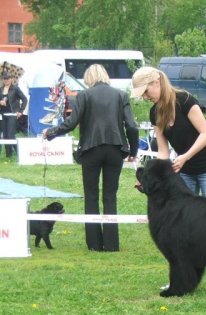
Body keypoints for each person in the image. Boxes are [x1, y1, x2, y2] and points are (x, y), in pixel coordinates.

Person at [131, 66, 206, 293]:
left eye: (146, 92)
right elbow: (163, 152)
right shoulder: (154, 112)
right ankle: (181, 279)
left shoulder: (186, 101)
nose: (146, 97)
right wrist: (152, 177)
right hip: (183, 170)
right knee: (180, 227)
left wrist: (185, 156)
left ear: (156, 82)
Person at [44, 64, 138, 252]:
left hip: (90, 150)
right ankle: (112, 244)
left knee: (91, 196)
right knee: (110, 197)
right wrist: (133, 151)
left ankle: (94, 244)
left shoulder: (84, 96)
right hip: (115, 149)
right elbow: (132, 126)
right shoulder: (121, 95)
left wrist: (51, 132)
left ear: (89, 78)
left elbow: (71, 123)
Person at [0, 73, 28, 158]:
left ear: (11, 79)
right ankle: (9, 155)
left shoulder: (15, 88)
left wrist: (21, 111)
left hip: (12, 114)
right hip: (2, 115)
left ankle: (19, 154)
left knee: (10, 135)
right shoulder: (0, 89)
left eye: (8, 78)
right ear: (2, 79)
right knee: (5, 135)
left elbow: (24, 99)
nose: (6, 80)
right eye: (4, 78)